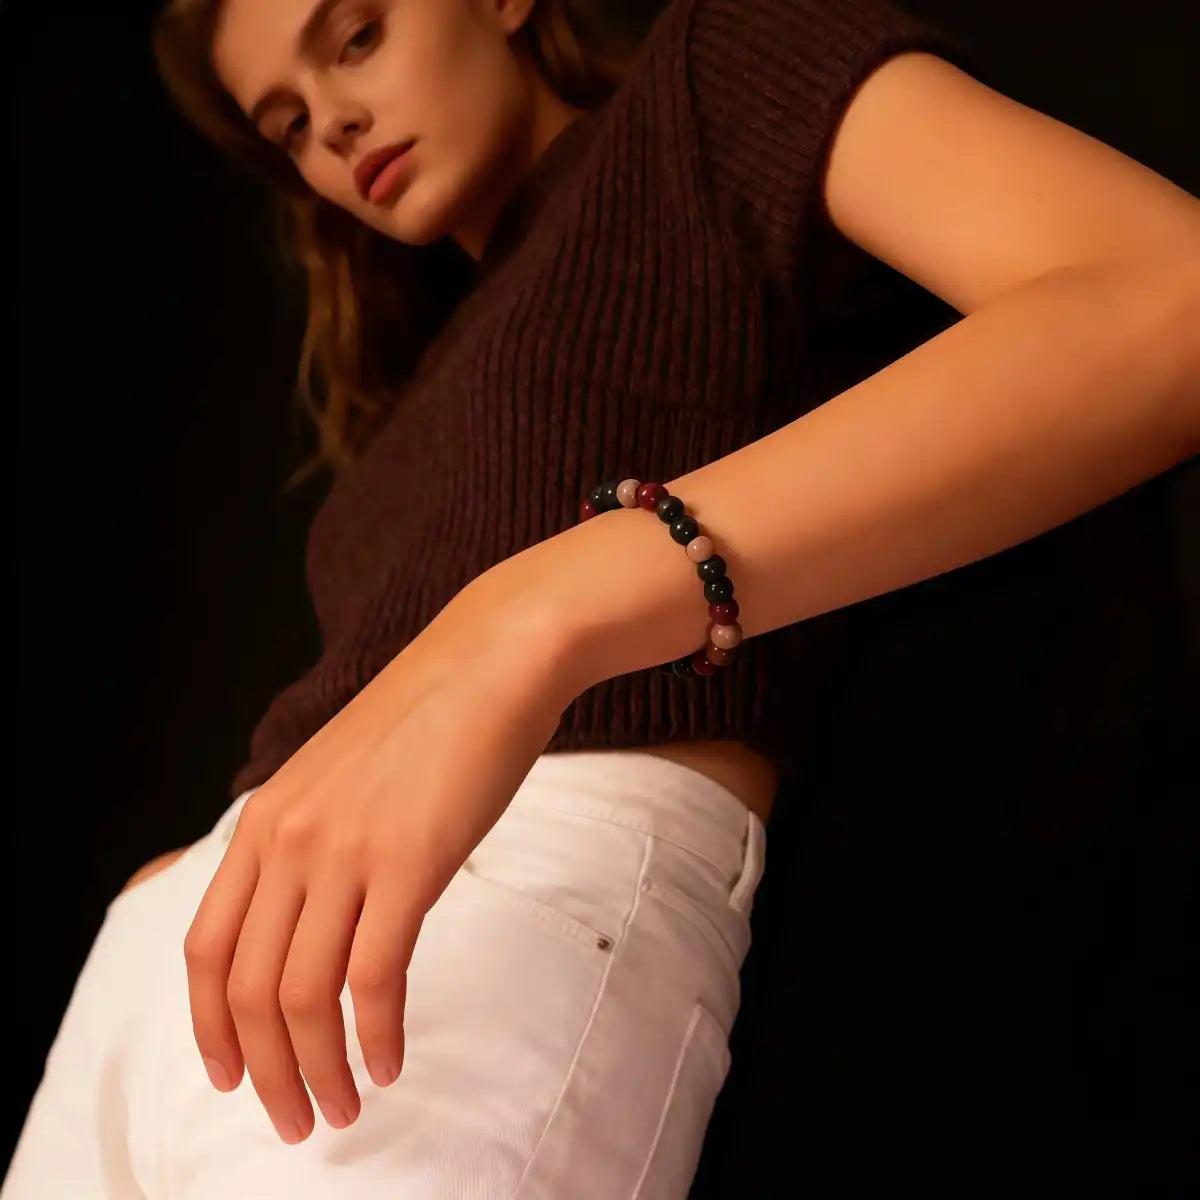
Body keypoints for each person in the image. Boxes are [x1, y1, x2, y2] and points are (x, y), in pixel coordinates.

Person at [5, 0, 1197, 1195]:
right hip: (188, 965)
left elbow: (1168, 293)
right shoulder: (418, 385)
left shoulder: (704, 83)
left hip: (454, 935)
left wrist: (531, 620)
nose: (334, 121)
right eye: (289, 123)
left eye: (356, 36)